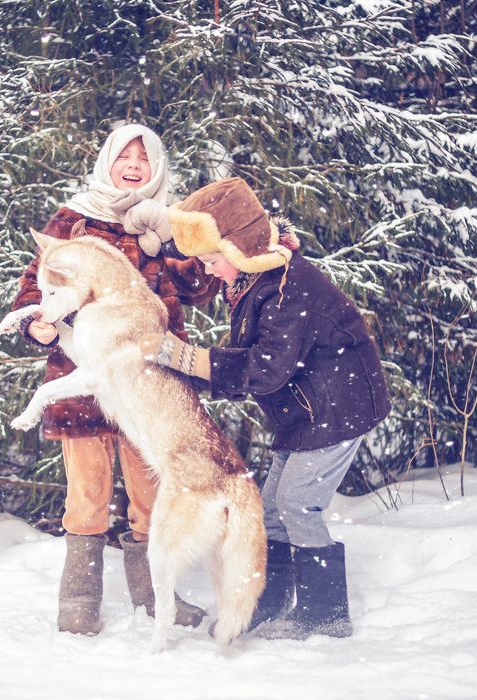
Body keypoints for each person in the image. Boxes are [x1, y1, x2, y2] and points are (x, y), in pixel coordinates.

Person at [140, 177, 391, 640]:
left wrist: (188, 359)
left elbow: (267, 369)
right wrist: (190, 372)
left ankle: (325, 615)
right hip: (302, 410)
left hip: (336, 409)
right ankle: (266, 601)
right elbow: (251, 361)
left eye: (213, 260)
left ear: (238, 247)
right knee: (269, 509)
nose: (210, 272)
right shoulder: (255, 278)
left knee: (296, 504)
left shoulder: (288, 287)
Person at [9, 124, 220, 635]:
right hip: (82, 374)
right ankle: (79, 597)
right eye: (124, 156)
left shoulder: (168, 221)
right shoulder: (75, 218)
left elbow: (201, 285)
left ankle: (153, 594)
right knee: (87, 492)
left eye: (143, 159)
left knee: (152, 492)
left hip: (149, 380)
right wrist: (35, 323)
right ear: (108, 161)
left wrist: (172, 237)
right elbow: (36, 282)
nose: (133, 166)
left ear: (157, 168)